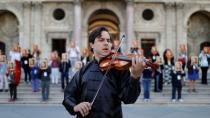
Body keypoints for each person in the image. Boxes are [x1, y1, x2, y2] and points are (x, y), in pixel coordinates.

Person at [62, 27, 145, 118]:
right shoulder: (83, 71)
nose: (106, 43)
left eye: (108, 40)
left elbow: (129, 99)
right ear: (92, 44)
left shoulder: (120, 69)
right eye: (101, 40)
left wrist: (135, 77)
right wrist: (75, 107)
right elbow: (68, 96)